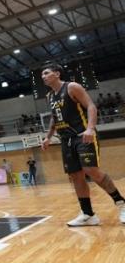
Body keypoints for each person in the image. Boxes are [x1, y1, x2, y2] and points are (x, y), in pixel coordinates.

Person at [41, 62, 125, 226]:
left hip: (83, 135)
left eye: (46, 73)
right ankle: (88, 214)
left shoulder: (72, 87)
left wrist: (90, 129)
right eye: (42, 75)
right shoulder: (50, 96)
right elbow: (54, 116)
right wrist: (48, 137)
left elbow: (91, 106)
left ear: (57, 74)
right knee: (76, 176)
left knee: (90, 170)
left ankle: (121, 203)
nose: (43, 77)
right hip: (66, 139)